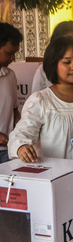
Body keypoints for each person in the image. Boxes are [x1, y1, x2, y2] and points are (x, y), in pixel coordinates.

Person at [8, 36, 73, 242]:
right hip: (54, 185)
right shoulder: (41, 100)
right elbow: (20, 135)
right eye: (66, 62)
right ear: (53, 65)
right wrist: (21, 147)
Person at [0, 22, 22, 163]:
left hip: (7, 151)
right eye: (9, 53)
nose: (13, 58)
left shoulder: (10, 75)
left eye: (15, 53)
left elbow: (14, 110)